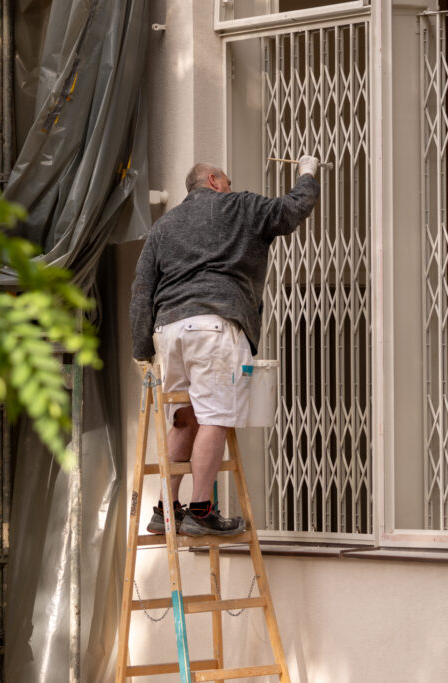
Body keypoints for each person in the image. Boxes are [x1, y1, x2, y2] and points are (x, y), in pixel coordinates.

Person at [130, 156, 320, 536]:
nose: (231, 189)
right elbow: (293, 209)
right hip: (213, 328)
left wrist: (141, 350)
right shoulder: (239, 206)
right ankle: (201, 510)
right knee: (215, 417)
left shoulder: (164, 226)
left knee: (184, 417)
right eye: (228, 183)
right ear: (214, 180)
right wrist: (307, 173)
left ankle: (166, 509)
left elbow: (142, 289)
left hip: (170, 331)